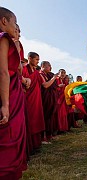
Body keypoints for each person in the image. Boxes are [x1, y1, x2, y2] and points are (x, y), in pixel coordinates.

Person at [0, 7, 27, 179]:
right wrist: (5, 105)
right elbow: (4, 72)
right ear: (4, 21)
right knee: (9, 134)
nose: (16, 27)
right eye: (14, 22)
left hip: (11, 87)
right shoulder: (4, 39)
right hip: (6, 92)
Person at [39, 61, 59, 141]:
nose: (50, 67)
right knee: (45, 117)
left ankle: (49, 134)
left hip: (50, 98)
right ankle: (43, 136)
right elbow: (46, 85)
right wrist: (54, 77)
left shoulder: (48, 75)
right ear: (43, 66)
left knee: (50, 117)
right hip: (44, 99)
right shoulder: (40, 74)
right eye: (49, 66)